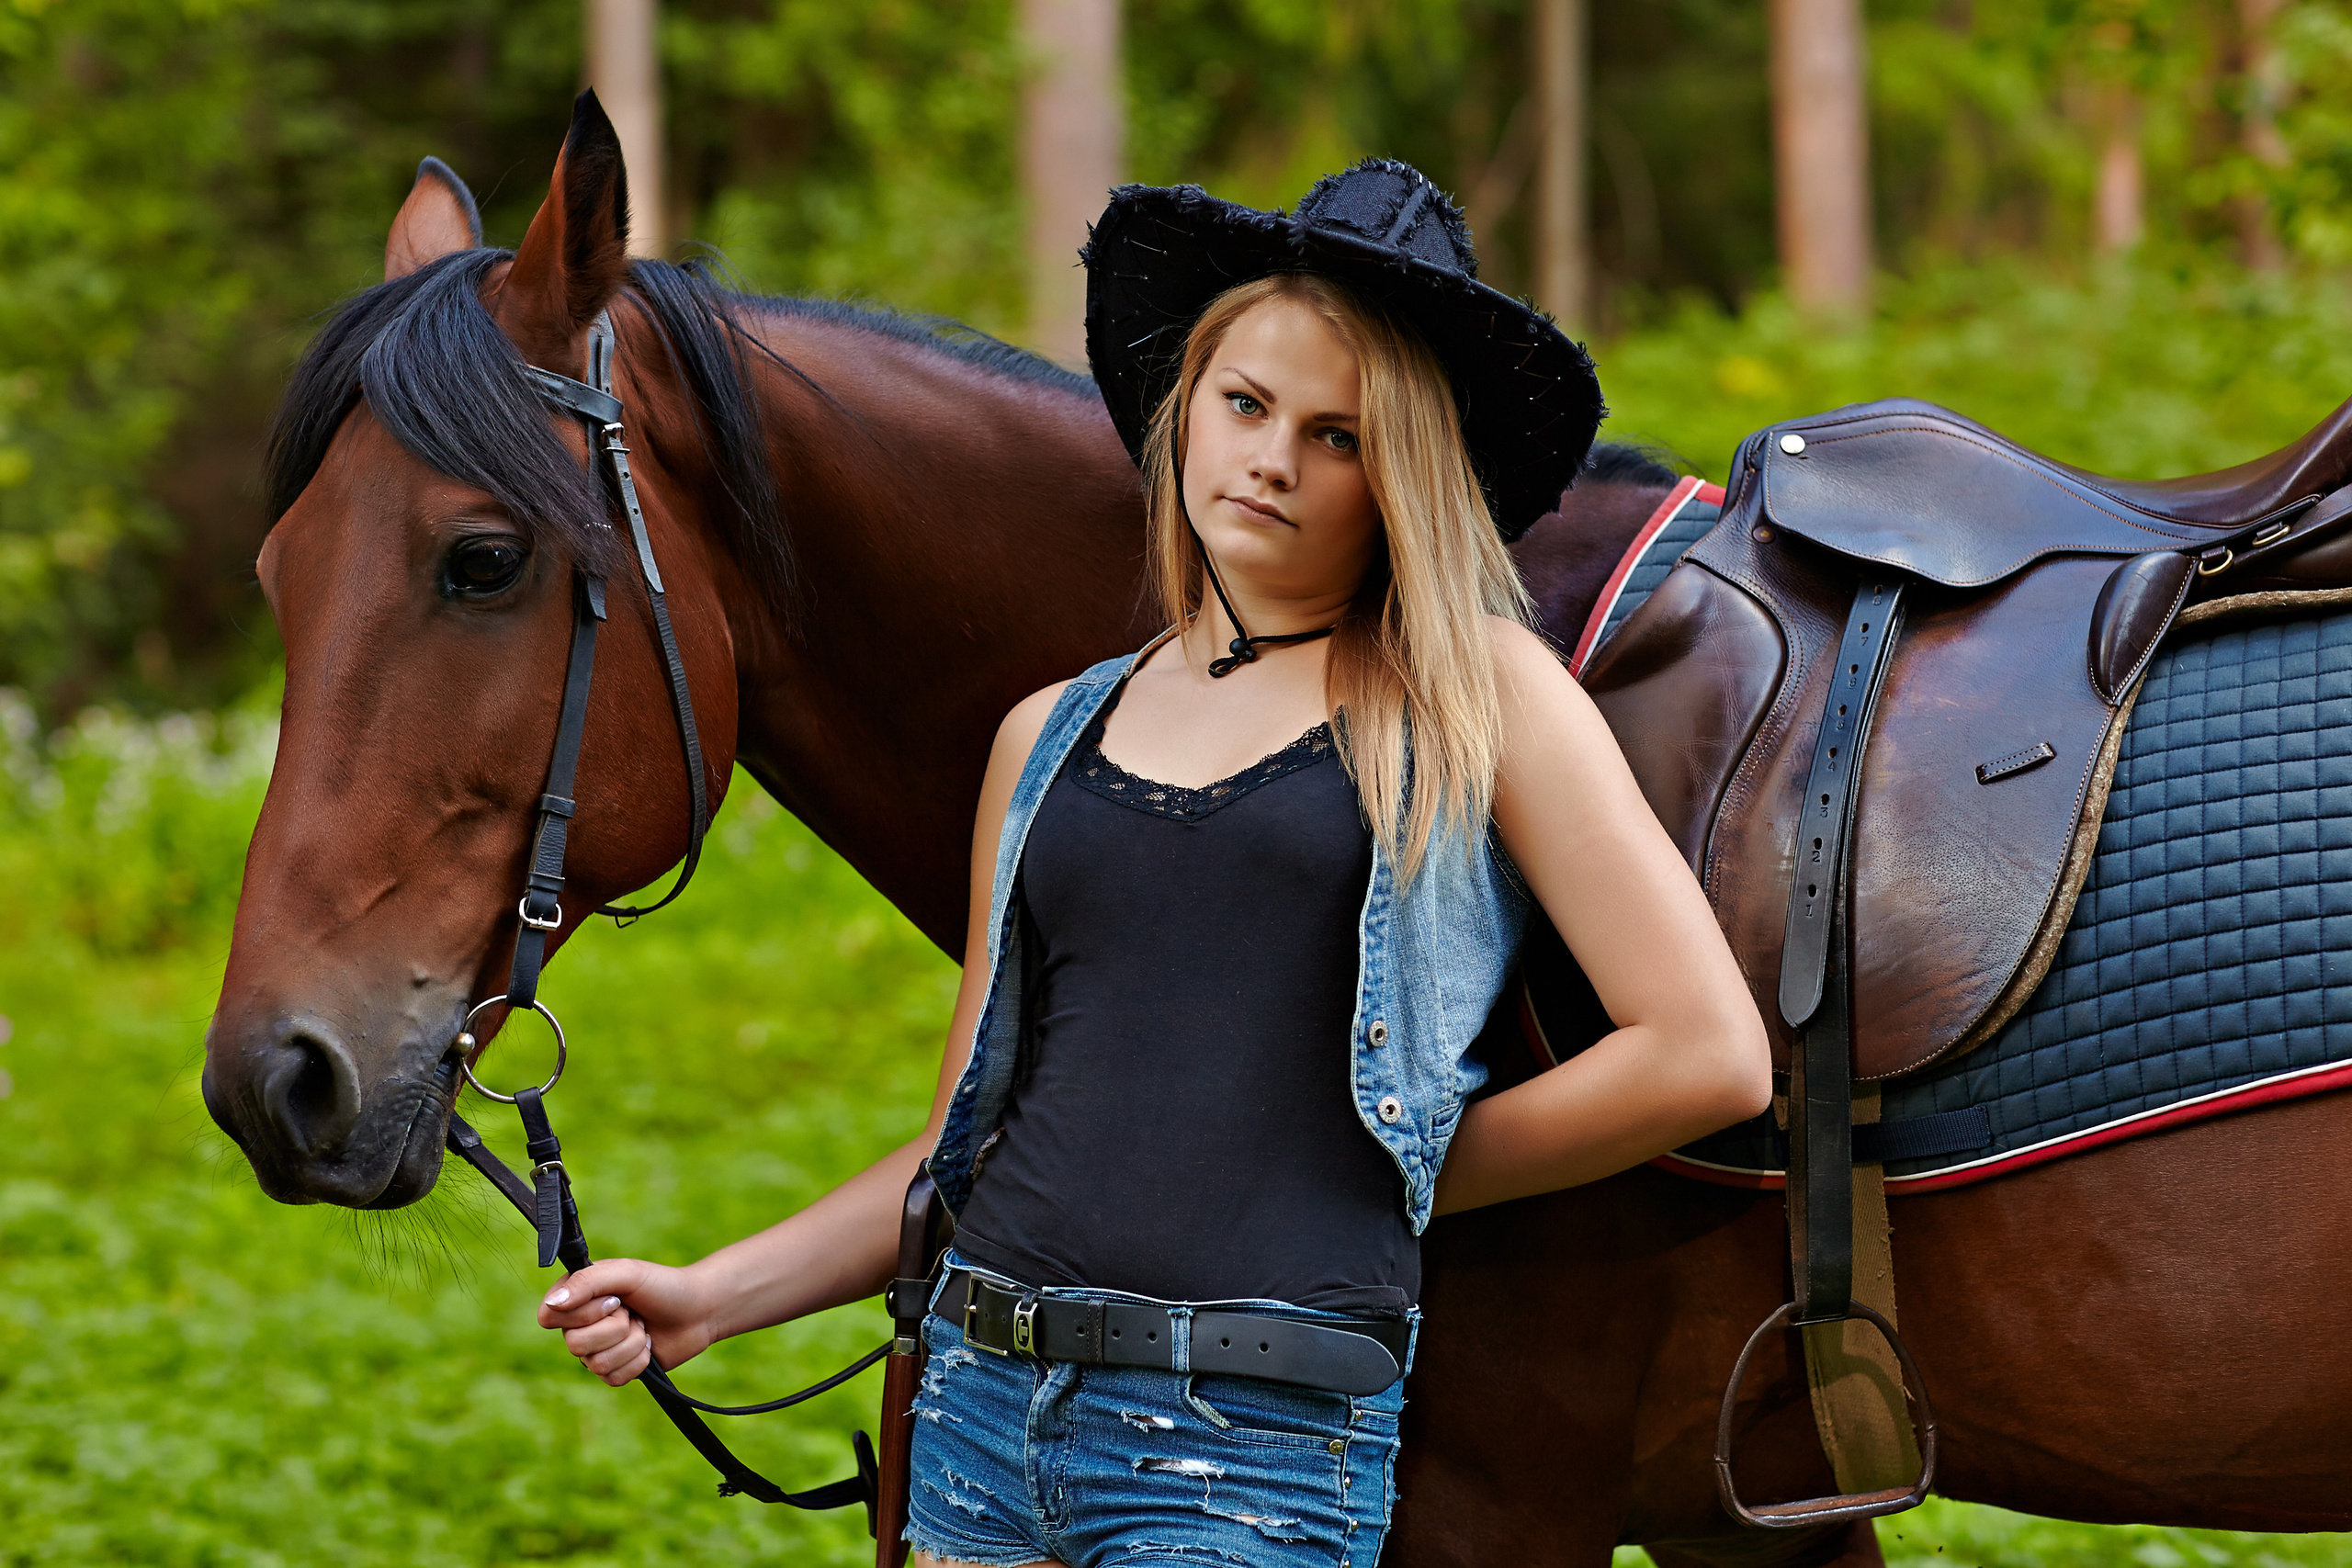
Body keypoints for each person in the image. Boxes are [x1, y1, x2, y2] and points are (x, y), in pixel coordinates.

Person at [536, 161, 1770, 1568]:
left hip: (1245, 1451)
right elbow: (967, 1148)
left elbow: (1705, 1051)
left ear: (1402, 474)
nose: (1271, 460)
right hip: (984, 1416)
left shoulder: (1471, 692)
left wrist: (1394, 1167)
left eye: (1338, 436)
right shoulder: (1049, 735)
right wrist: (716, 1294)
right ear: (1186, 406)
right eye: (1244, 405)